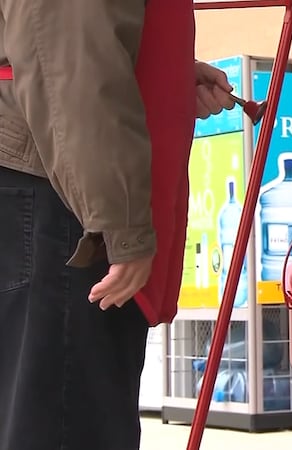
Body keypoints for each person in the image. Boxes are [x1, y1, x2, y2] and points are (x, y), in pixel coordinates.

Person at [0, 1, 235, 449]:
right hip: (65, 198)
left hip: (59, 184)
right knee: (68, 422)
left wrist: (165, 78)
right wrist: (122, 223)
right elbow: (67, 49)